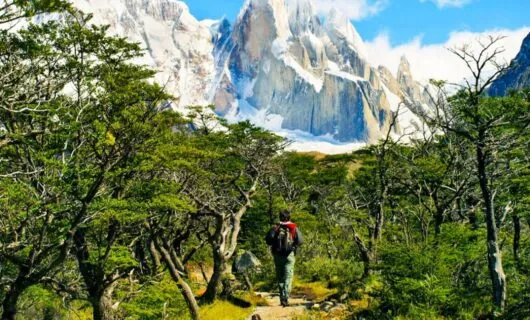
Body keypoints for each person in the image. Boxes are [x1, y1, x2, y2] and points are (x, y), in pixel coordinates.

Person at [265, 210, 303, 307]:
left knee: (280, 277)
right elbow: (300, 241)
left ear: (280, 217)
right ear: (289, 217)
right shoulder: (294, 227)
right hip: (289, 255)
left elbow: (268, 241)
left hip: (277, 256)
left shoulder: (275, 227)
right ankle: (286, 297)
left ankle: (282, 297)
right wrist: (292, 245)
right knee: (288, 277)